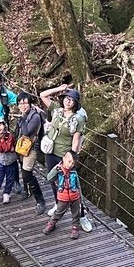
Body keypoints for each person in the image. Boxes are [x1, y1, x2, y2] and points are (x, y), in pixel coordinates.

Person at [39, 82, 92, 232]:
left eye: (71, 99)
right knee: (54, 180)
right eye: (66, 98)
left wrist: (71, 158)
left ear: (75, 103)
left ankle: (81, 216)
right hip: (50, 151)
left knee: (73, 186)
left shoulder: (78, 119)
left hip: (65, 155)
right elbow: (43, 95)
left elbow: (76, 140)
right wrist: (60, 89)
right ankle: (58, 204)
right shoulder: (56, 110)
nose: (68, 101)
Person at [14, 91, 46, 216]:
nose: (23, 105)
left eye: (25, 103)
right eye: (20, 103)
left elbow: (27, 132)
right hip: (21, 147)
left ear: (30, 103)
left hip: (31, 148)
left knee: (27, 173)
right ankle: (27, 192)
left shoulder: (35, 117)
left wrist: (21, 119)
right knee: (24, 170)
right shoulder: (24, 114)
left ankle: (40, 200)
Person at [44, 152, 82, 239]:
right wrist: (55, 170)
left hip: (74, 196)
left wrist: (80, 198)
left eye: (73, 163)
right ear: (63, 159)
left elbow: (78, 185)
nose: (70, 165)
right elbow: (49, 178)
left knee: (76, 213)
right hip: (63, 196)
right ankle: (51, 224)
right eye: (69, 161)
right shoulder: (58, 170)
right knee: (58, 212)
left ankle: (75, 228)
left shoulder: (74, 172)